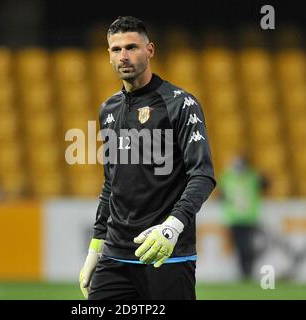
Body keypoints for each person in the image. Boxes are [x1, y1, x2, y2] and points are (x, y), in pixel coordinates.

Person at [79, 16, 216, 300]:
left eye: (132, 47)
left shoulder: (181, 103)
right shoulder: (109, 109)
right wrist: (95, 248)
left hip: (167, 255)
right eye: (116, 50)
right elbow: (111, 184)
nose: (124, 56)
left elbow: (202, 175)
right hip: (115, 258)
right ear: (108, 55)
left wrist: (172, 227)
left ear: (150, 50)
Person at [217, 155, 268, 280]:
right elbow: (220, 194)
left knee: (246, 247)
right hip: (235, 219)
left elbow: (266, 184)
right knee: (241, 248)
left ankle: (246, 272)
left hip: (248, 218)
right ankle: (245, 273)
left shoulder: (250, 176)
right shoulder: (231, 177)